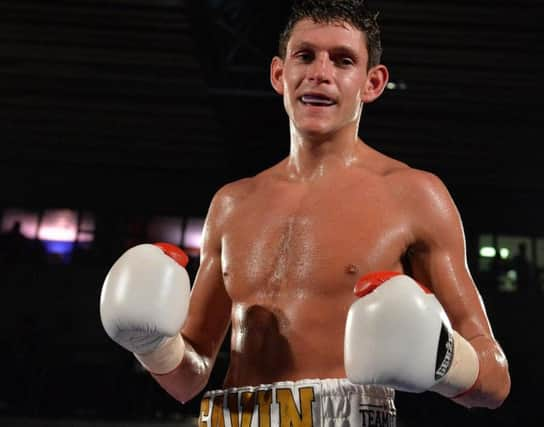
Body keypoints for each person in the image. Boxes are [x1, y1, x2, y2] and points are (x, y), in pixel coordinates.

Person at [99, 1, 511, 425]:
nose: (320, 73)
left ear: (372, 83)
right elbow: (189, 378)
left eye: (343, 60)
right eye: (306, 55)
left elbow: (495, 381)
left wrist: (443, 359)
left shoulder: (413, 195)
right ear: (280, 74)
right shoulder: (231, 203)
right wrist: (151, 344)